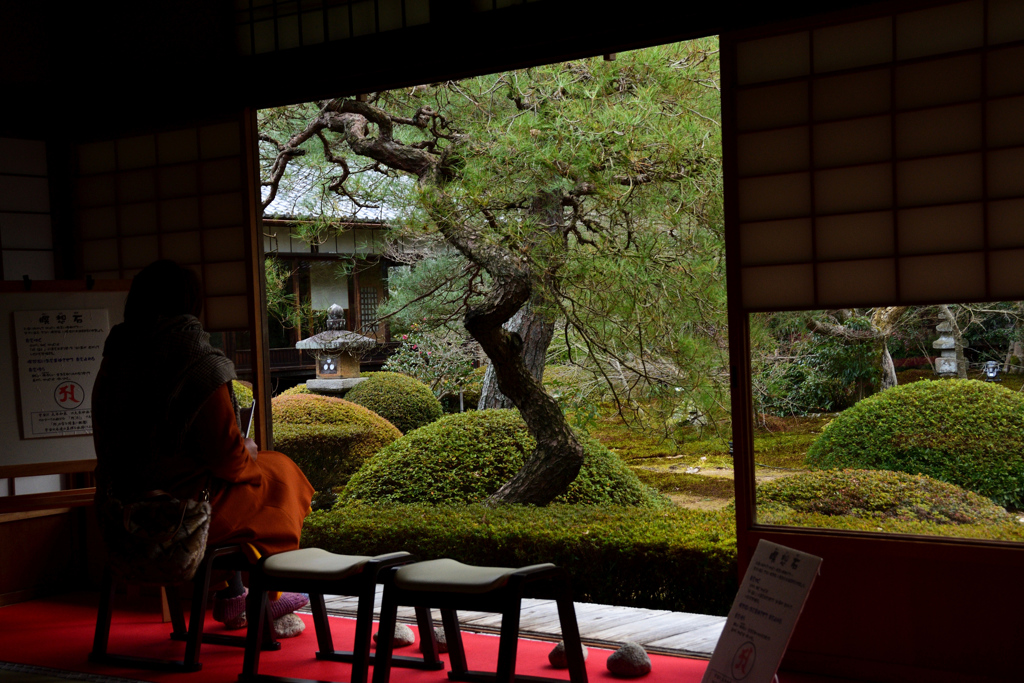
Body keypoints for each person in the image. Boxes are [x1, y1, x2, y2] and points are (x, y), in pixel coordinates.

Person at [92, 260, 315, 637]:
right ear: (191, 302)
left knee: (258, 478)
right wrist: (248, 449)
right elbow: (227, 459)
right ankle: (267, 590)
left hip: (119, 507)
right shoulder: (195, 363)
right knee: (280, 474)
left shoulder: (116, 357)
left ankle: (235, 593)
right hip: (183, 510)